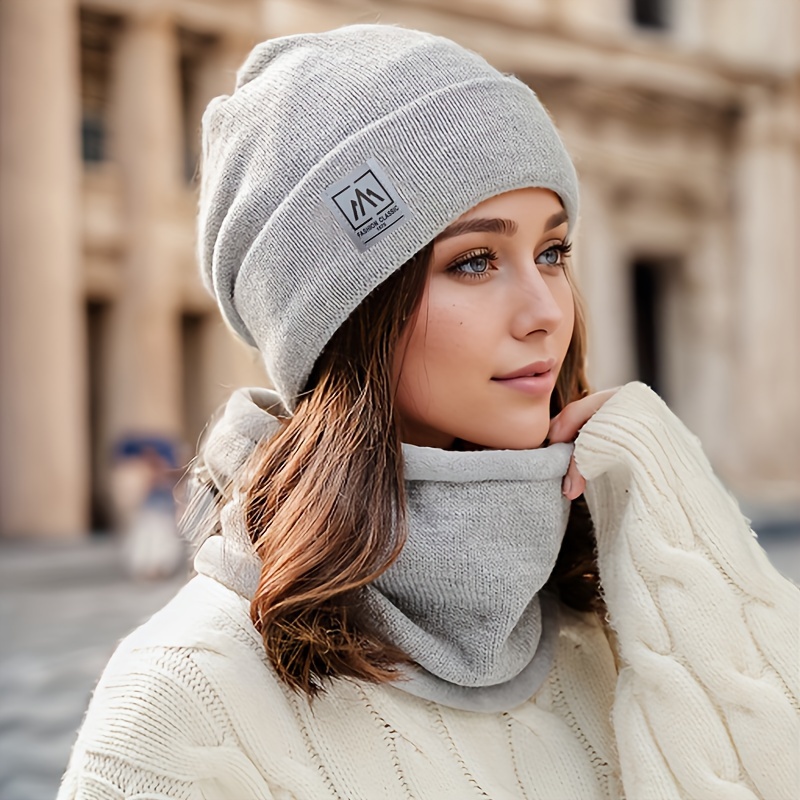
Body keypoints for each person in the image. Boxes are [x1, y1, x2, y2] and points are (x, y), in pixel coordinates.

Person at [58, 25, 798, 800]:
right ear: (348, 318)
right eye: (474, 261)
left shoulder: (610, 621)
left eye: (551, 253)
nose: (547, 310)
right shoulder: (180, 707)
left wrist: (690, 526)